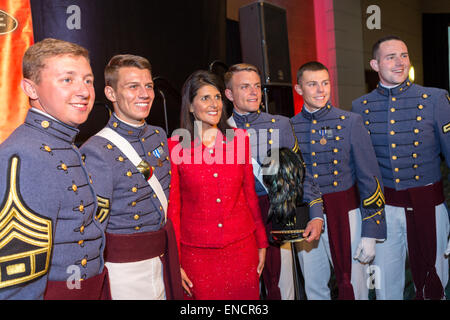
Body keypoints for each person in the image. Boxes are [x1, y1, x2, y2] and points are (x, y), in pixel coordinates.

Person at [0, 38, 109, 299]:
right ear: (31, 88)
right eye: (67, 80)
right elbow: (17, 278)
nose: (84, 91)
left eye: (88, 80)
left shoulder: (62, 142)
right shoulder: (25, 154)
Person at [352, 35, 450, 300]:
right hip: (386, 209)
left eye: (404, 55)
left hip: (429, 205)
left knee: (434, 279)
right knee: (385, 285)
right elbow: (363, 172)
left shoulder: (435, 99)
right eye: (390, 57)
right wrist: (369, 225)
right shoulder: (361, 107)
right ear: (375, 64)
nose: (399, 62)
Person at [80, 54, 182, 300]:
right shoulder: (97, 150)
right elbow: (93, 226)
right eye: (133, 86)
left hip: (163, 259)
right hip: (124, 271)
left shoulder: (158, 135)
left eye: (148, 86)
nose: (145, 94)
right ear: (111, 93)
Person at [223, 63, 324, 300]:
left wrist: (316, 213)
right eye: (245, 86)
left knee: (284, 286)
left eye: (257, 86)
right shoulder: (220, 131)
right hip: (240, 221)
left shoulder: (280, 124)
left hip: (277, 214)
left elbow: (301, 173)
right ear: (229, 94)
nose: (253, 92)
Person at [167, 70, 268, 300]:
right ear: (191, 107)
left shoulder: (239, 139)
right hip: (197, 257)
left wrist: (261, 242)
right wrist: (176, 261)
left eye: (217, 97)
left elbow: (250, 197)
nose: (214, 104)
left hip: (242, 250)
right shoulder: (175, 147)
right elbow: (174, 211)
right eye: (205, 98)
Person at [291, 61, 387, 300]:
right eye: (312, 84)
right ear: (299, 88)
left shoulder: (350, 122)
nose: (321, 89)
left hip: (347, 214)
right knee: (314, 288)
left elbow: (370, 178)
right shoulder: (290, 126)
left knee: (356, 287)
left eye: (325, 83)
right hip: (306, 216)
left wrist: (371, 231)